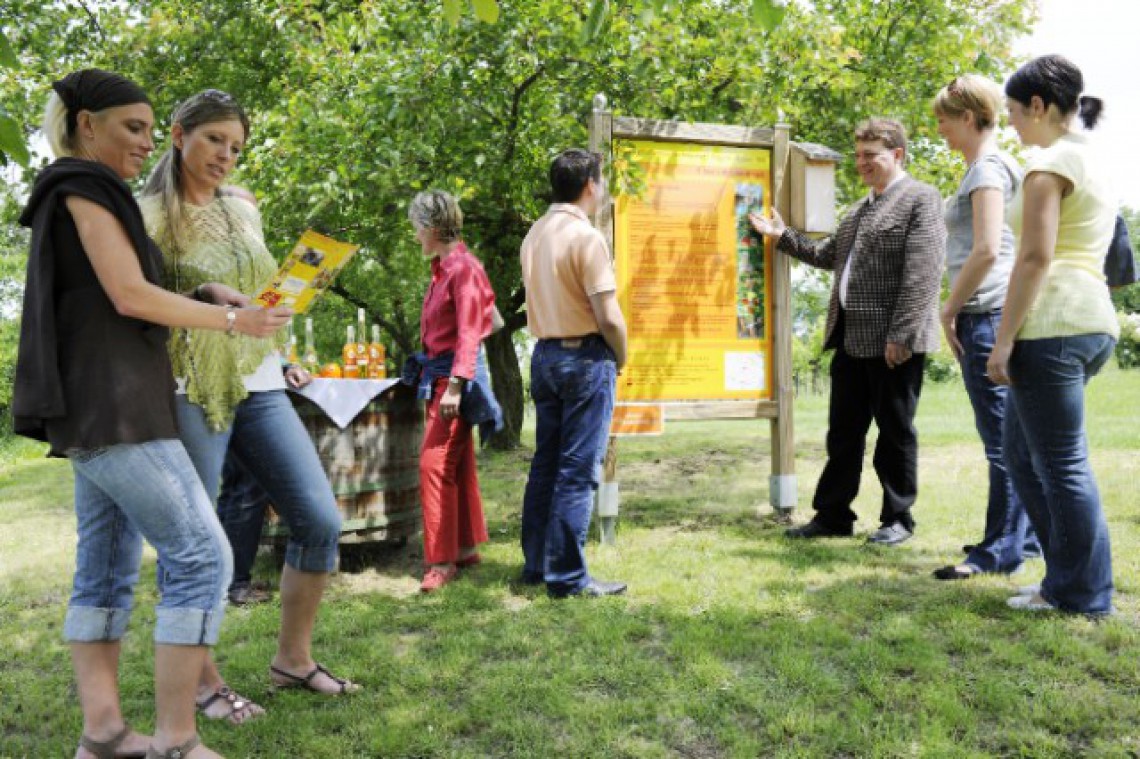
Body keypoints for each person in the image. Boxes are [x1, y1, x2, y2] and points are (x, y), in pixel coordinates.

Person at [14, 69, 290, 759]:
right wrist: (234, 317)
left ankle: (105, 733)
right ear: (86, 124)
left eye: (147, 126)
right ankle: (176, 740)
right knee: (202, 553)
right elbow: (130, 295)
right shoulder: (83, 184)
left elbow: (109, 292)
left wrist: (199, 288)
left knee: (104, 568)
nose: (146, 140)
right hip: (116, 407)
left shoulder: (81, 190)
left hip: (96, 407)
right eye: (133, 127)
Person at [140, 89, 359, 713]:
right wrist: (205, 291)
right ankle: (205, 683)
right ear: (179, 135)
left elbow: (257, 294)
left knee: (318, 518)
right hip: (191, 385)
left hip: (261, 381)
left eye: (236, 147)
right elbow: (141, 296)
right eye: (214, 140)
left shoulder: (243, 211)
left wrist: (285, 328)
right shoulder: (149, 212)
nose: (226, 156)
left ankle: (293, 662)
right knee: (197, 539)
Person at [749, 118, 945, 546]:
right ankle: (834, 515)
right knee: (843, 434)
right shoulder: (859, 209)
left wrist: (902, 335)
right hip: (850, 338)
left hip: (894, 343)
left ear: (896, 155)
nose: (861, 163)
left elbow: (922, 275)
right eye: (857, 155)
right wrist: (781, 236)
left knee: (895, 435)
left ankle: (898, 519)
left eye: (870, 155)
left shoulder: (920, 199)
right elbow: (827, 255)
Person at [987, 55, 1120, 615]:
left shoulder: (1051, 166)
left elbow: (1036, 257)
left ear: (1039, 106)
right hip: (1089, 323)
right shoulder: (1089, 159)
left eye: (1015, 112)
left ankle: (1082, 593)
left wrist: (1002, 340)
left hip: (1055, 325)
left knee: (1061, 464)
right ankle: (1065, 580)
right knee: (1022, 456)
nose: (1012, 124)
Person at [930, 75, 1040, 580]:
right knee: (1018, 439)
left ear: (971, 118)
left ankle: (998, 550)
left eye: (945, 120)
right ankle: (1028, 539)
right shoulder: (989, 167)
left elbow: (987, 250)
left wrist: (949, 309)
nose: (940, 130)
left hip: (987, 314)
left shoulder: (988, 170)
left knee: (1001, 443)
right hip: (994, 314)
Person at [519, 149, 628, 598]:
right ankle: (566, 577)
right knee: (578, 471)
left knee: (545, 465)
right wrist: (620, 356)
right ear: (590, 185)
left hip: (544, 355)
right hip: (584, 357)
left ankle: (536, 564)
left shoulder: (534, 234)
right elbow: (609, 316)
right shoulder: (587, 237)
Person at [402, 190, 501, 592]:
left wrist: (458, 383)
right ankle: (463, 548)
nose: (414, 236)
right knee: (457, 465)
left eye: (416, 228)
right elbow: (490, 320)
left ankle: (441, 562)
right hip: (442, 374)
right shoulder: (445, 268)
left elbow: (470, 331)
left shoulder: (462, 267)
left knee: (434, 464)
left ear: (432, 228)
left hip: (453, 380)